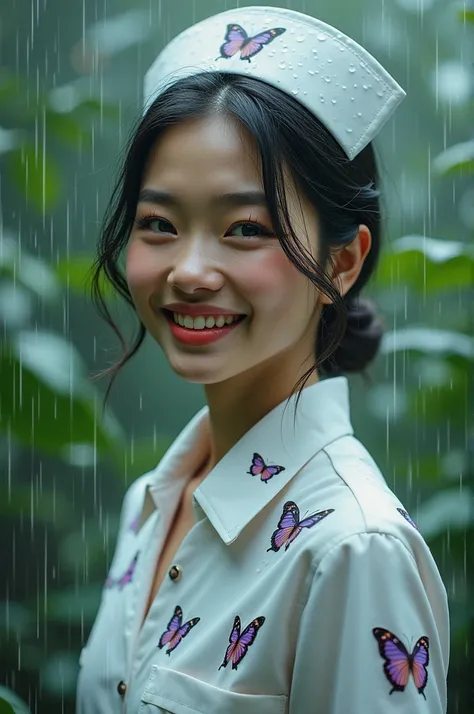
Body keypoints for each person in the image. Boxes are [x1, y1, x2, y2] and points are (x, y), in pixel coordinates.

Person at [76, 6, 450, 714]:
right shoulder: (151, 504)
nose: (189, 270)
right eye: (159, 223)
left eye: (245, 228)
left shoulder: (351, 548)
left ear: (343, 262)